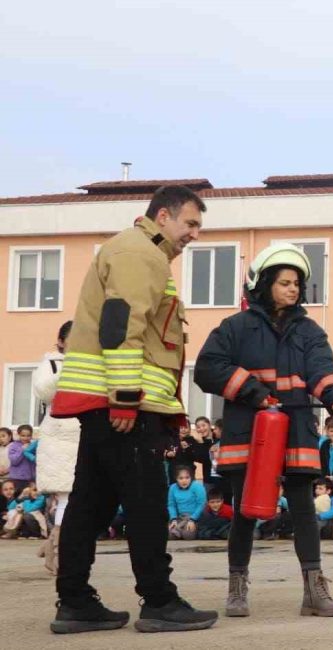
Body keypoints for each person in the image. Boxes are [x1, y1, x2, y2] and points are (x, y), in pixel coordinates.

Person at [48, 186, 216, 634]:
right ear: (163, 216)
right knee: (145, 504)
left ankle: (76, 602)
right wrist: (125, 396)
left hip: (107, 404)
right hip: (124, 405)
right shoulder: (140, 253)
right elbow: (122, 324)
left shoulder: (135, 251)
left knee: (90, 504)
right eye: (190, 224)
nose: (194, 235)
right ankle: (159, 601)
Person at [195, 241, 333, 620]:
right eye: (285, 282)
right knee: (247, 512)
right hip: (250, 430)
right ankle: (236, 590)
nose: (294, 288)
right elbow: (207, 368)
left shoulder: (309, 330)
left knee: (302, 512)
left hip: (296, 430)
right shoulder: (235, 328)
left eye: (297, 282)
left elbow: (321, 366)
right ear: (264, 283)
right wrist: (253, 391)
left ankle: (314, 591)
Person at [32, 320, 80, 574]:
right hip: (60, 439)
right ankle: (58, 551)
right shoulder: (50, 364)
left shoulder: (90, 363)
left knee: (80, 498)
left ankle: (52, 544)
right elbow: (44, 391)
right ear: (61, 341)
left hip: (83, 437)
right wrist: (69, 368)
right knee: (66, 496)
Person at [167, 467, 206, 541]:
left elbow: (201, 504)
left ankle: (180, 531)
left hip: (194, 518)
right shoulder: (173, 488)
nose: (184, 481)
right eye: (181, 478)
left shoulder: (197, 486)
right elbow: (171, 505)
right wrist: (173, 519)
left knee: (188, 536)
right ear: (176, 479)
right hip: (179, 518)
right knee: (169, 536)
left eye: (187, 478)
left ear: (191, 477)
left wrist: (192, 520)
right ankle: (179, 529)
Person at [8, 425, 36, 494]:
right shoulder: (13, 446)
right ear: (18, 435)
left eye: (28, 435)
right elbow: (14, 461)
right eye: (23, 435)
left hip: (31, 479)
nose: (26, 438)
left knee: (28, 500)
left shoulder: (33, 446)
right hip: (17, 479)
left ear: (31, 435)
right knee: (17, 499)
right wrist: (22, 450)